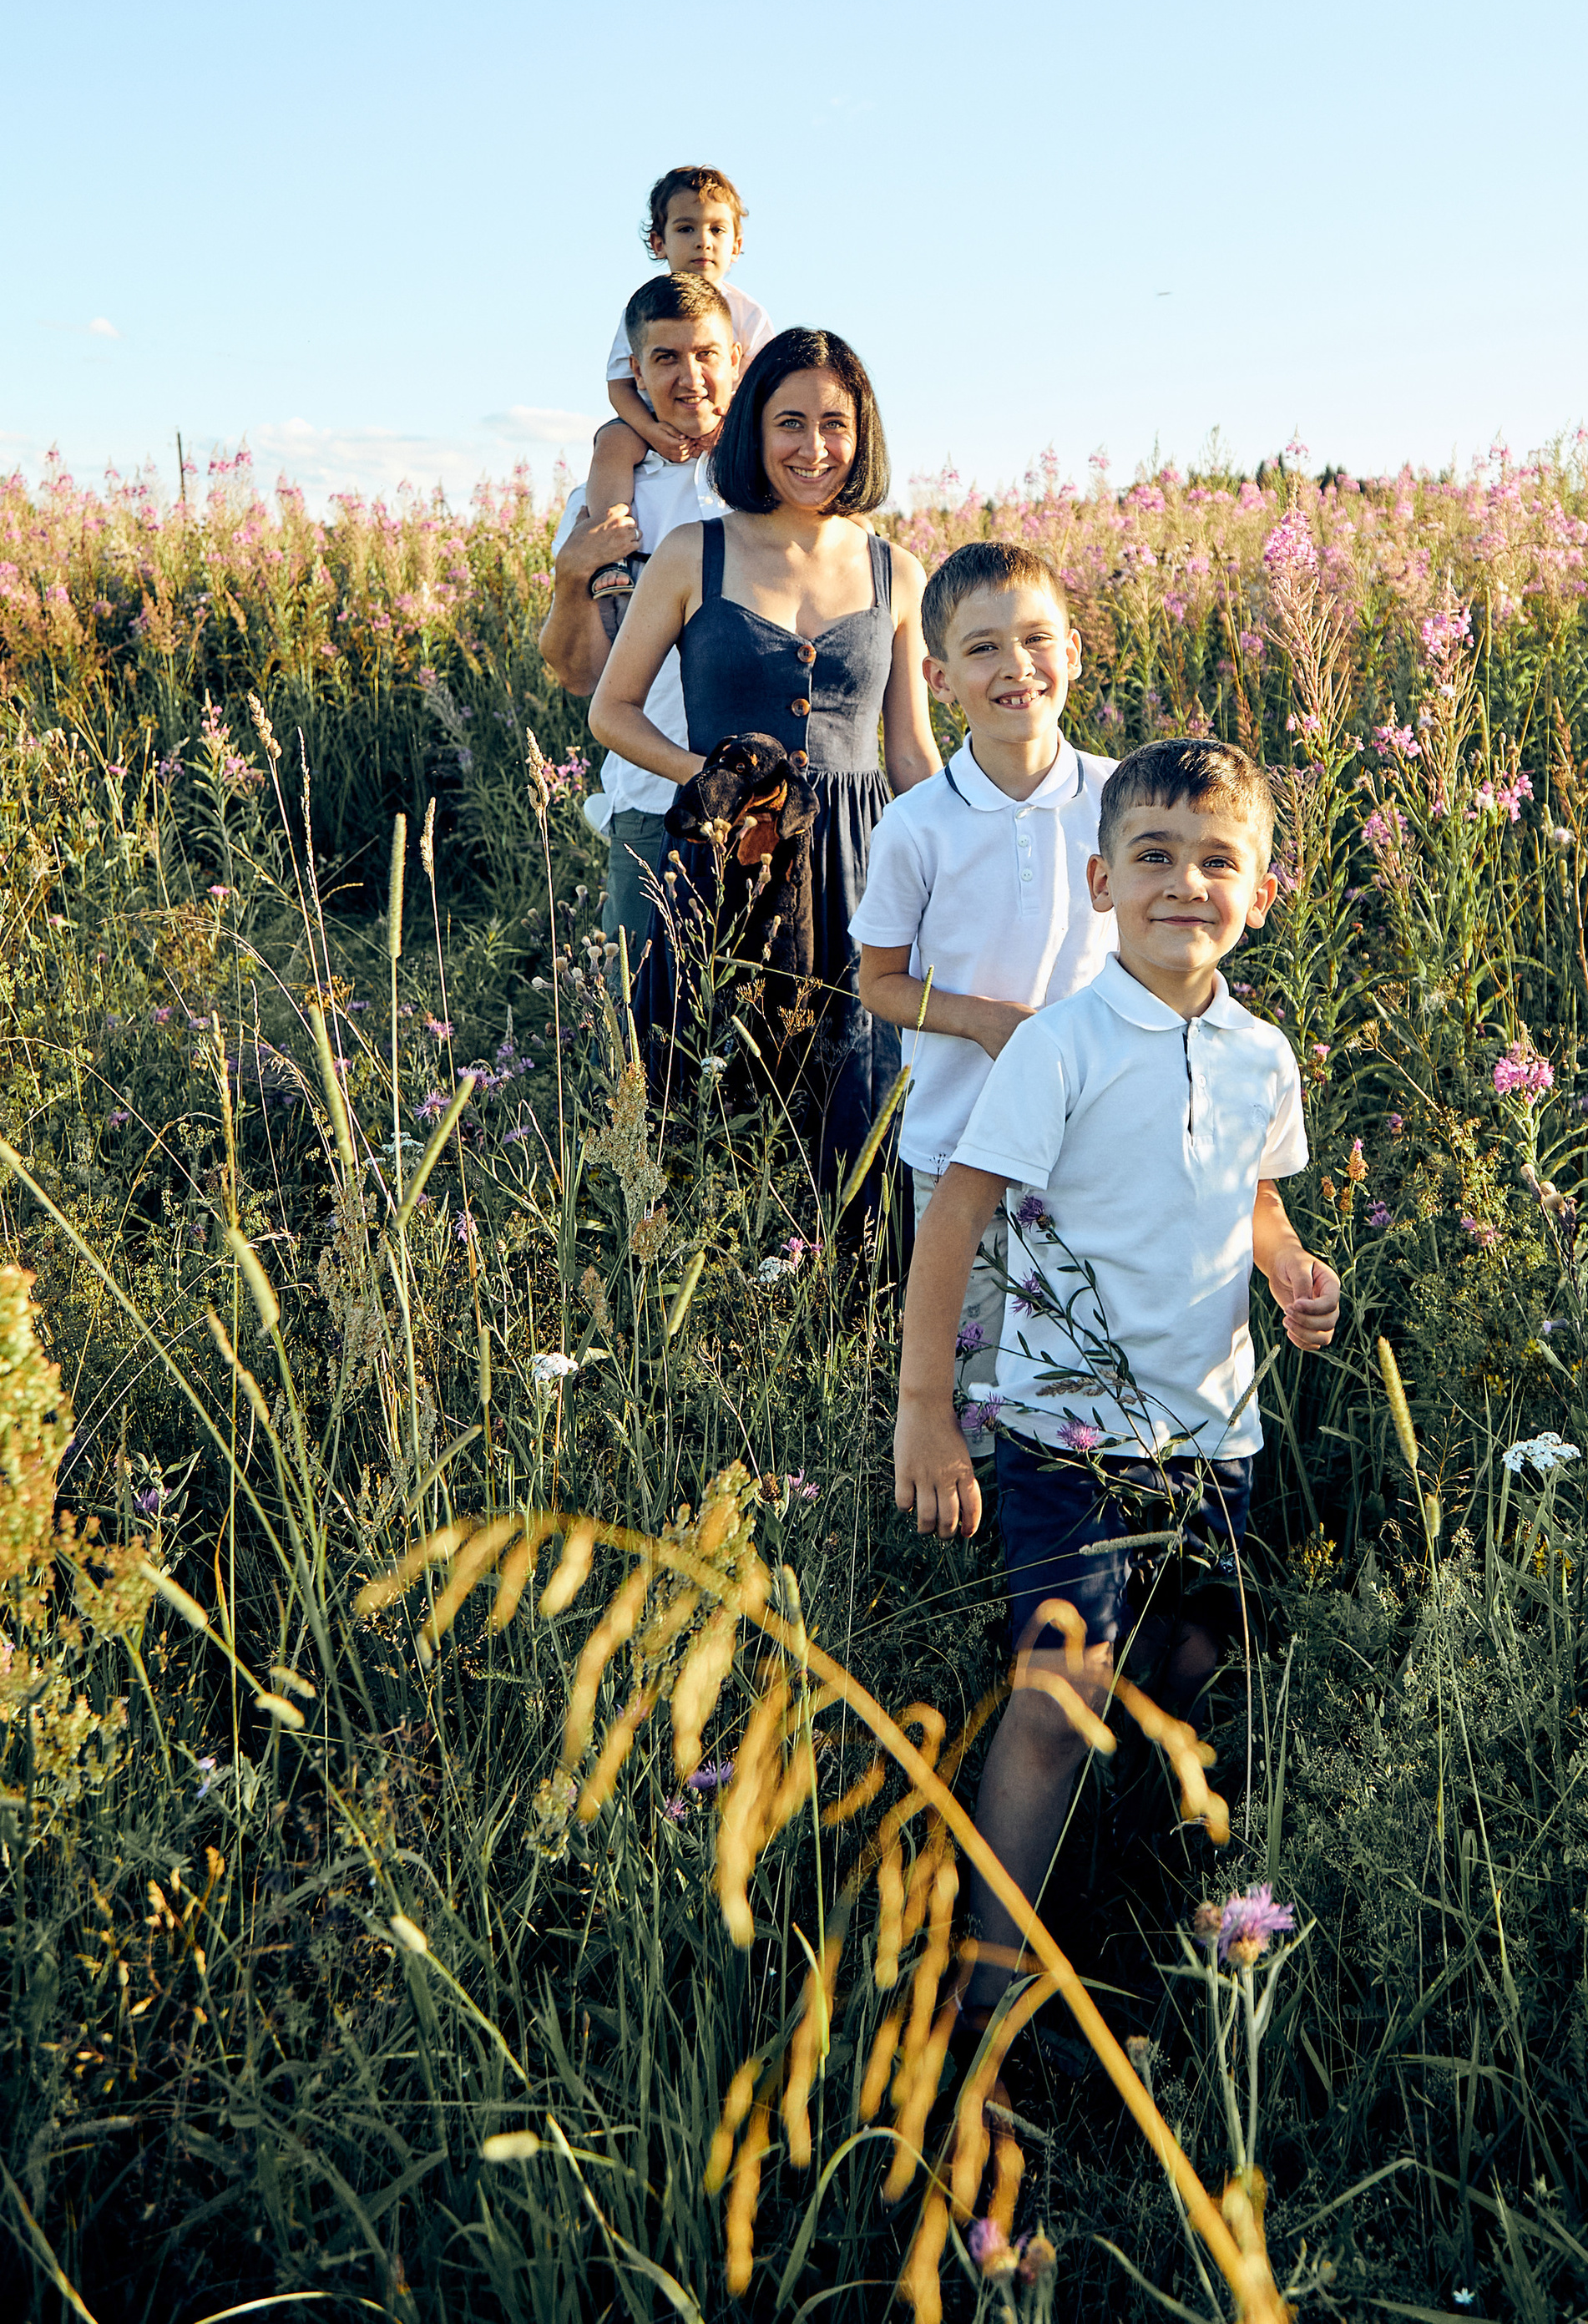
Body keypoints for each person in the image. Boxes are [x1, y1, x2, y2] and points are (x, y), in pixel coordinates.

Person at [892, 736, 1341, 2026]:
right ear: (1101, 883)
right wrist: (931, 1410)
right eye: (1153, 857)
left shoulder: (1263, 1053)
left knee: (1191, 1662)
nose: (1185, 884)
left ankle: (1133, 1903)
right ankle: (987, 1981)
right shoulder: (1063, 1045)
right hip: (1064, 1435)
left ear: (1262, 891)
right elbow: (958, 1215)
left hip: (1214, 1431)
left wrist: (1295, 1274)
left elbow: (1248, 1195)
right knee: (1058, 1692)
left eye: (1218, 861)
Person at [589, 325, 939, 1190]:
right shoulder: (692, 552)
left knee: (858, 1107)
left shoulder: (898, 570)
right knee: (711, 1096)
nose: (813, 448)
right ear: (753, 428)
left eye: (835, 423)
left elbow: (910, 751)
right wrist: (716, 783)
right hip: (721, 861)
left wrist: (956, 862)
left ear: (862, 436)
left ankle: (845, 1311)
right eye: (789, 422)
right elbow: (612, 711)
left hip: (863, 872)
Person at [851, 540, 1115, 1463]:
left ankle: (1076, 1553)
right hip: (960, 1148)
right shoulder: (917, 825)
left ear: (1073, 651)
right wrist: (982, 1020)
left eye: (1037, 639)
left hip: (1096, 1143)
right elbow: (876, 982)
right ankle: (973, 1573)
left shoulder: (1122, 800)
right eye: (983, 649)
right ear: (936, 675)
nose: (1016, 667)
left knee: (1090, 1373)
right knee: (972, 1383)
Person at [537, 272, 739, 974]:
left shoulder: (772, 481)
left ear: (736, 360)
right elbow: (578, 675)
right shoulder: (604, 500)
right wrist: (573, 576)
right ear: (637, 372)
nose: (690, 377)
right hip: (653, 803)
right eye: (666, 358)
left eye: (707, 354)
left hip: (770, 801)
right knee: (635, 1034)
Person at [584, 169, 772, 611]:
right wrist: (649, 431)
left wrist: (729, 426)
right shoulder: (645, 307)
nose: (702, 241)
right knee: (611, 440)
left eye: (716, 229)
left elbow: (765, 384)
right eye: (686, 228)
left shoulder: (748, 312)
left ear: (737, 245)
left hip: (729, 422)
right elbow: (619, 383)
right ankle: (610, 552)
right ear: (659, 243)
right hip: (656, 419)